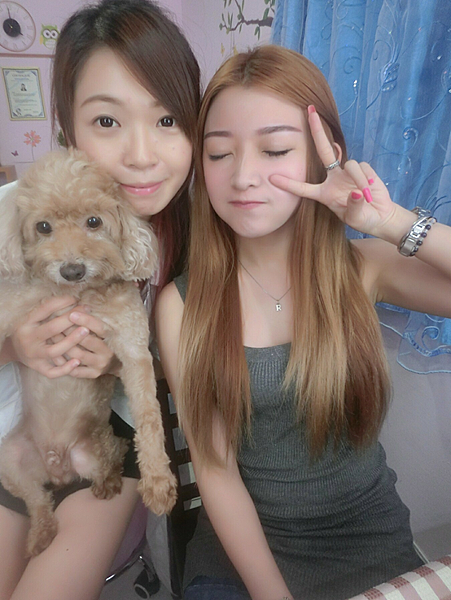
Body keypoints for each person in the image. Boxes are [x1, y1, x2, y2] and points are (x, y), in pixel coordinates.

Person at [156, 45, 451, 600]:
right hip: (242, 558)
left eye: (274, 149)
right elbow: (216, 473)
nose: (243, 176)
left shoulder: (360, 268)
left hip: (369, 541)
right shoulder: (183, 305)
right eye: (218, 153)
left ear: (322, 155)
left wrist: (390, 221)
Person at [0, 1, 200, 598]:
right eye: (107, 121)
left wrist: (117, 362)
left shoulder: (199, 238)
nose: (141, 154)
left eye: (168, 120)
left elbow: (192, 377)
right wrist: (14, 346)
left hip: (107, 437)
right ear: (66, 124)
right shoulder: (15, 211)